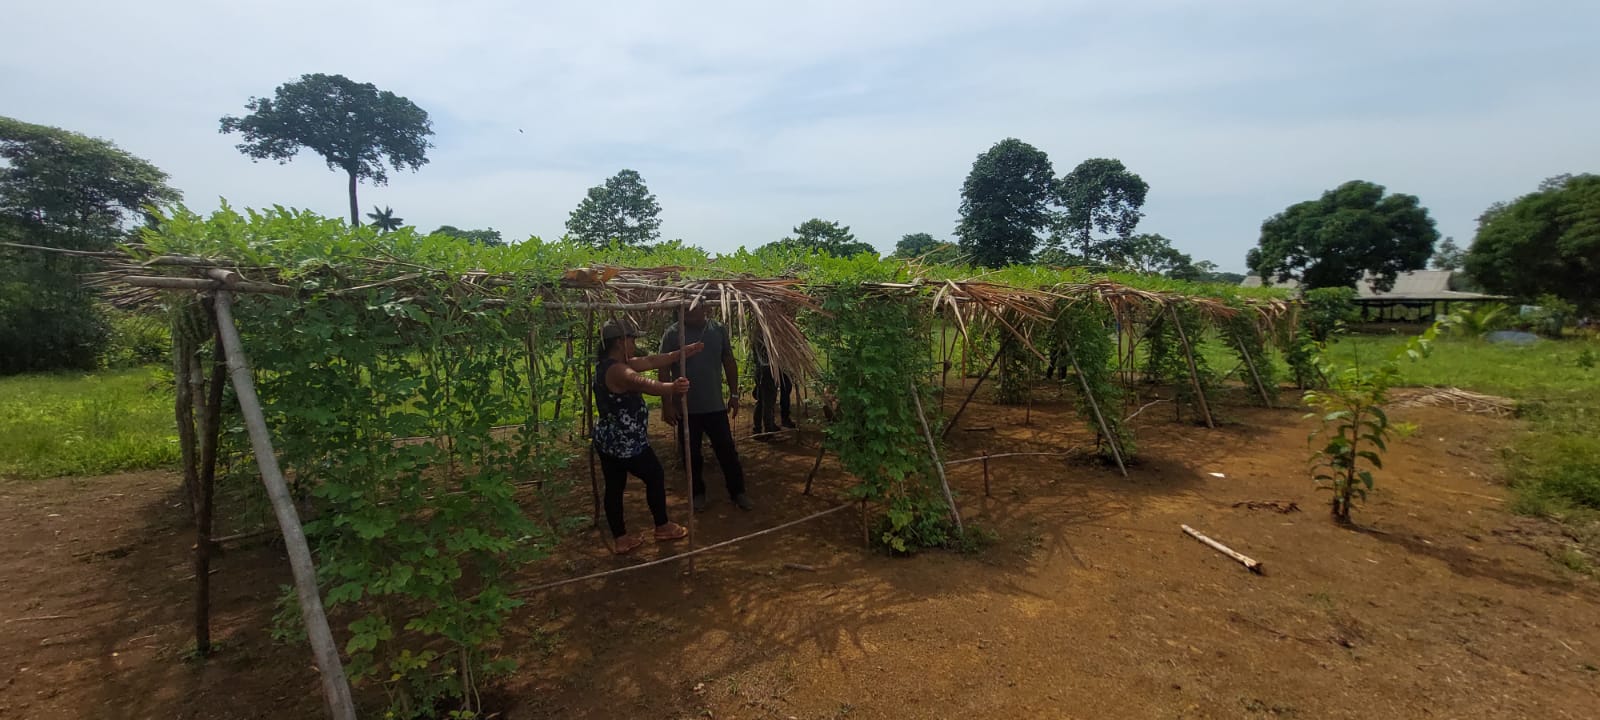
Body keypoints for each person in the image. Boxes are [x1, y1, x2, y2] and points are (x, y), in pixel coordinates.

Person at [593, 318, 704, 555]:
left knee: (614, 486)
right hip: (626, 443)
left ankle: (621, 538)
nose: (634, 344)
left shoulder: (612, 364)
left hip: (609, 439)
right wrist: (671, 388)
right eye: (632, 339)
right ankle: (662, 526)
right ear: (620, 342)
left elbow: (653, 360)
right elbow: (641, 382)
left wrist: (680, 353)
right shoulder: (619, 370)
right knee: (654, 474)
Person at [660, 305, 754, 512]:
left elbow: (728, 361)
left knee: (727, 451)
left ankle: (737, 491)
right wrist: (667, 404)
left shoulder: (717, 330)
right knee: (691, 454)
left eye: (691, 310)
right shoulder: (673, 333)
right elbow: (664, 369)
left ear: (705, 309)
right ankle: (697, 494)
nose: (686, 314)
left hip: (714, 405)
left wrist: (734, 394)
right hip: (686, 407)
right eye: (683, 310)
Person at [749, 331, 795, 435]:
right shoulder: (764, 337)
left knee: (763, 401)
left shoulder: (759, 336)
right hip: (767, 372)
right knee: (767, 402)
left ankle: (761, 428)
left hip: (763, 371)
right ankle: (767, 429)